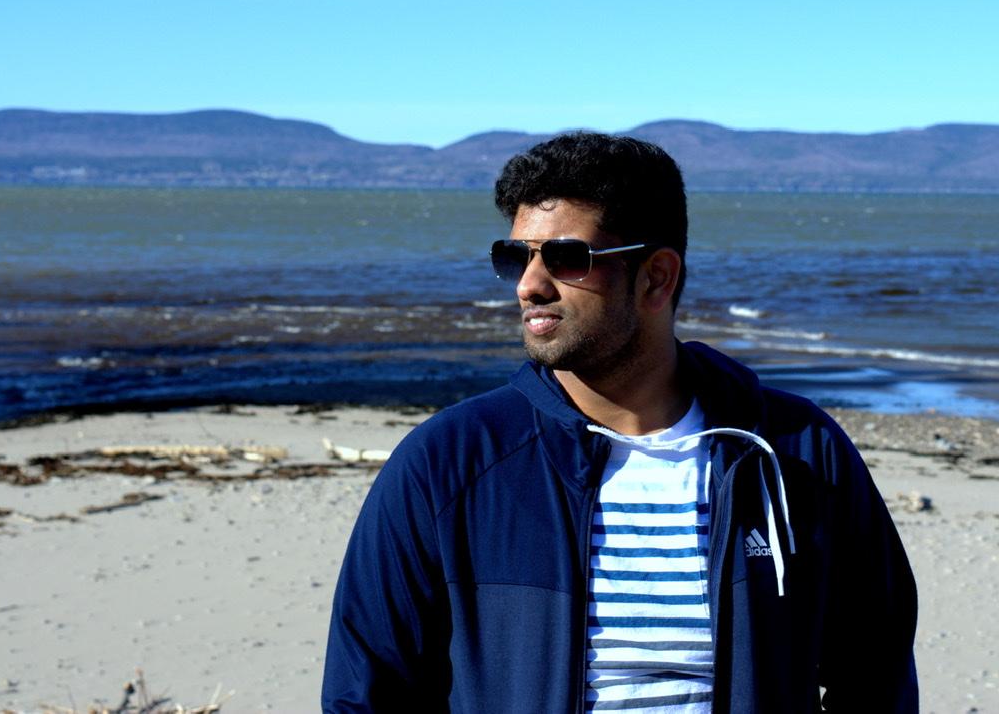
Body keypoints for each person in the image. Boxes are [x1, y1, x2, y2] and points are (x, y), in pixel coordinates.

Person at [322, 132, 919, 713]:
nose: (529, 285)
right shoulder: (449, 463)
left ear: (656, 277)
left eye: (565, 258)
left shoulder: (796, 452)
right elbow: (368, 692)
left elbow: (876, 673)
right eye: (516, 257)